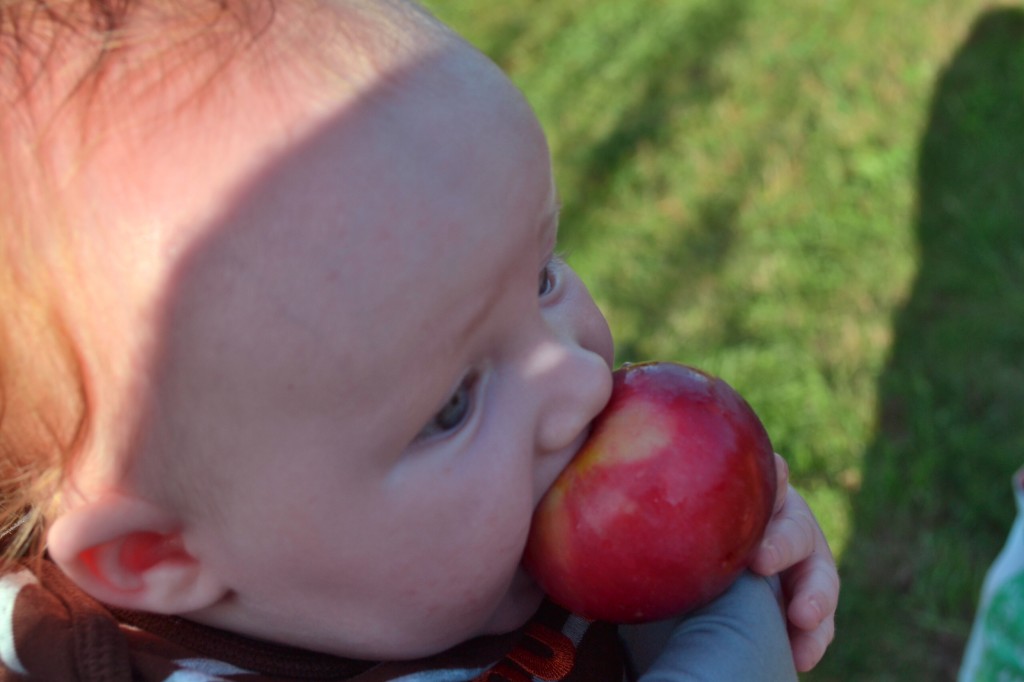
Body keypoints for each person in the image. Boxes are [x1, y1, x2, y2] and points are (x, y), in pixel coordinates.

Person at [0, 0, 838, 679]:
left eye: (541, 275)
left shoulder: (438, 545)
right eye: (450, 407)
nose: (580, 382)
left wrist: (725, 558)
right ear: (159, 555)